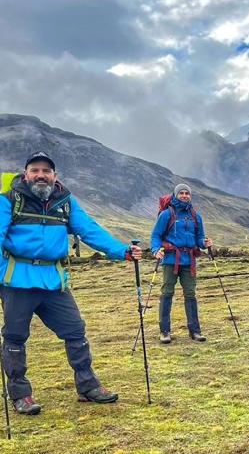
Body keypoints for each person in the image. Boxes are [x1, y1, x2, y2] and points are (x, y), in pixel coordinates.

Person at [0, 151, 143, 415]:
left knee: (75, 330)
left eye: (46, 171)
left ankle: (88, 386)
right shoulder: (9, 199)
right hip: (17, 281)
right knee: (15, 336)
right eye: (35, 170)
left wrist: (121, 250)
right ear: (25, 174)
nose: (41, 175)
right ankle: (20, 394)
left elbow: (89, 230)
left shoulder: (64, 201)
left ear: (55, 176)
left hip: (54, 282)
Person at [150, 183, 212, 344]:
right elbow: (156, 235)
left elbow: (199, 238)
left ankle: (195, 331)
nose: (185, 195)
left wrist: (205, 243)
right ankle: (164, 331)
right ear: (175, 195)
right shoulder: (166, 214)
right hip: (171, 259)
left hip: (189, 260)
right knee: (167, 293)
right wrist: (156, 249)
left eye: (187, 193)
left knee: (190, 294)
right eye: (181, 193)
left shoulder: (195, 216)